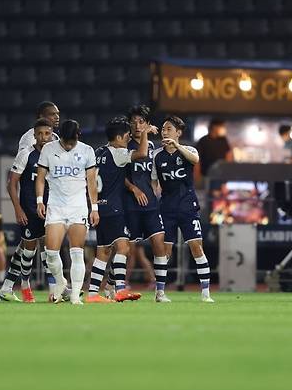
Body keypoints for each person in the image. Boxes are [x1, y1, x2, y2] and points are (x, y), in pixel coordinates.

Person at [86, 116, 158, 303]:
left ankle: (93, 294)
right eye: (126, 136)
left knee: (103, 251)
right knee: (124, 247)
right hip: (114, 208)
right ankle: (119, 289)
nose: (128, 140)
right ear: (118, 138)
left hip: (100, 207)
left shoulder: (98, 152)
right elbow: (142, 153)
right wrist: (145, 133)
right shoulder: (118, 153)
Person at [153, 115, 215, 303]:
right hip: (167, 208)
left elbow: (195, 160)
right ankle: (160, 293)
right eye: (163, 129)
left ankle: (205, 293)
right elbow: (154, 183)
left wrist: (177, 146)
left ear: (178, 132)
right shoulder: (156, 155)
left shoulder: (188, 150)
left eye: (169, 129)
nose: (165, 132)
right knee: (165, 251)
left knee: (197, 248)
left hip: (188, 207)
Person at [36, 120, 98, 305]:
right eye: (65, 142)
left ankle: (75, 295)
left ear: (78, 136)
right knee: (51, 253)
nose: (68, 145)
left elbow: (91, 182)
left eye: (71, 142)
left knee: (77, 252)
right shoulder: (49, 149)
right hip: (55, 206)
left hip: (78, 206)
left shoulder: (87, 150)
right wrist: (40, 200)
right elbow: (40, 178)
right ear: (60, 136)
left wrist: (94, 208)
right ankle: (61, 283)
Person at [0, 118, 60, 302]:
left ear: (52, 134)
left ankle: (53, 290)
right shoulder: (26, 154)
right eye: (39, 134)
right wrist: (18, 209)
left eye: (47, 133)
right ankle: (25, 285)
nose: (43, 137)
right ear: (34, 136)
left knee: (51, 250)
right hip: (29, 209)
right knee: (28, 252)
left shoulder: (56, 155)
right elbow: (12, 184)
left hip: (50, 210)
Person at [123, 104, 169, 301]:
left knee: (159, 244)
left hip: (150, 204)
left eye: (142, 122)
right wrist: (134, 188)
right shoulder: (123, 144)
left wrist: (155, 185)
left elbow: (150, 171)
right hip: (130, 204)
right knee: (126, 251)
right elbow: (118, 176)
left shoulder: (151, 146)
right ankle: (115, 286)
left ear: (148, 124)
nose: (137, 126)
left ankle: (160, 291)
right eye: (133, 122)